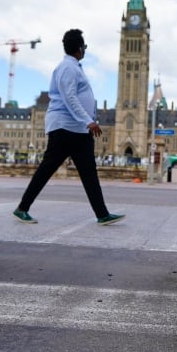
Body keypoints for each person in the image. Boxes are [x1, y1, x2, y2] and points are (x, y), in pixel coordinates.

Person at [13, 29, 125, 226]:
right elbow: (69, 97)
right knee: (47, 169)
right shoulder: (68, 68)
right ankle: (22, 208)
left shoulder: (73, 67)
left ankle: (102, 214)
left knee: (89, 172)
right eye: (85, 47)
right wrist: (88, 120)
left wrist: (88, 120)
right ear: (80, 48)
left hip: (78, 130)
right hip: (65, 129)